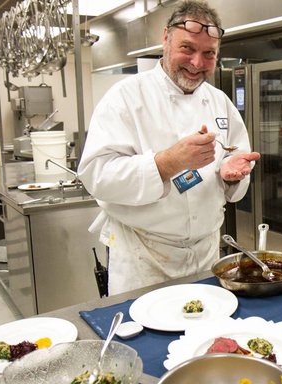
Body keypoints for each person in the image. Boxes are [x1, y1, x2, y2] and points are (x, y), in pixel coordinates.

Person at [77, 0, 260, 295]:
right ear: (165, 38)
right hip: (144, 259)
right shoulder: (125, 97)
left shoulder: (220, 102)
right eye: (187, 48)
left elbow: (237, 159)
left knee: (202, 337)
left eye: (209, 54)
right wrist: (167, 163)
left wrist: (231, 176)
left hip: (205, 255)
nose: (197, 63)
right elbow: (96, 176)